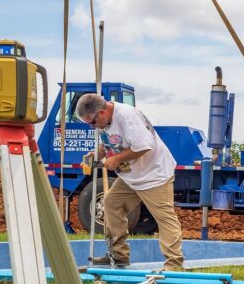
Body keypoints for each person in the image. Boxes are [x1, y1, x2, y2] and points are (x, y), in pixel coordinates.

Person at [75, 93, 184, 270]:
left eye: (92, 122)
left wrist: (116, 159)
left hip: (154, 175)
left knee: (164, 218)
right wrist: (97, 155)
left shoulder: (126, 116)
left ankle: (174, 265)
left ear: (102, 112)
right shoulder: (104, 122)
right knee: (111, 204)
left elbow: (143, 146)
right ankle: (118, 256)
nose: (92, 127)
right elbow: (109, 142)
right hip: (131, 177)